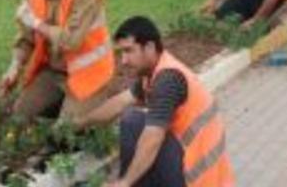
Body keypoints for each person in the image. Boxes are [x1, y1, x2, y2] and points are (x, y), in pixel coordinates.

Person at [75, 16, 235, 187]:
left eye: (129, 51)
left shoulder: (168, 80)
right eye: (121, 53)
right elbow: (120, 102)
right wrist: (81, 122)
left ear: (149, 47)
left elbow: (153, 138)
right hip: (196, 167)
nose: (124, 60)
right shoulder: (154, 72)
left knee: (134, 122)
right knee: (133, 120)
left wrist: (125, 182)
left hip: (199, 178)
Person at [0, 0, 115, 121]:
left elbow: (71, 41)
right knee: (19, 116)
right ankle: (63, 104)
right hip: (54, 71)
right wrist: (14, 67)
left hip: (89, 73)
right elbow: (27, 38)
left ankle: (88, 105)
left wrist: (36, 23)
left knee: (66, 135)